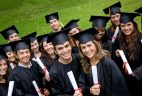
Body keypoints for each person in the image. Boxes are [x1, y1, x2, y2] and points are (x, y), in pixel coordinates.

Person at [72, 28, 129, 96]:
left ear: (95, 45)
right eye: (83, 47)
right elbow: (82, 85)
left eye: (89, 45)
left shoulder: (108, 63)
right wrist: (90, 90)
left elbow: (120, 87)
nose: (87, 50)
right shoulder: (85, 64)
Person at [48, 29, 83, 96]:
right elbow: (57, 94)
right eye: (60, 48)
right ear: (55, 51)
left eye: (67, 46)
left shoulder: (80, 58)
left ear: (70, 45)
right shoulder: (54, 72)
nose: (65, 50)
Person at [114, 12, 142, 96]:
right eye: (123, 25)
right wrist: (116, 53)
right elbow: (117, 61)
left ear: (134, 25)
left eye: (129, 24)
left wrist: (137, 73)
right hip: (127, 80)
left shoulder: (141, 39)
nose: (126, 28)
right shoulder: (118, 41)